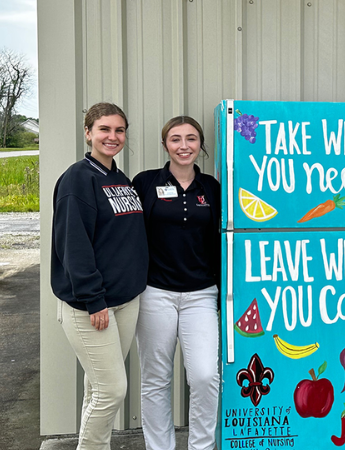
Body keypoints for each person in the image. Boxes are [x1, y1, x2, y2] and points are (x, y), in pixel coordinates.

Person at [51, 102, 148, 449]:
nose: (112, 136)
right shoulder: (78, 179)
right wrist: (94, 299)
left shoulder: (119, 179)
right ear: (89, 132)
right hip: (91, 306)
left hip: (124, 301)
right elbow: (73, 246)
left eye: (119, 130)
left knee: (97, 387)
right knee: (112, 390)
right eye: (104, 129)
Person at [132, 116, 221, 450]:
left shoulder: (211, 187)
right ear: (165, 144)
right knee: (156, 379)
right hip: (156, 293)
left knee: (204, 376)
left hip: (201, 295)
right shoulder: (144, 183)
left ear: (200, 144)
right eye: (175, 139)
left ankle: (201, 446)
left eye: (191, 139)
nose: (184, 146)